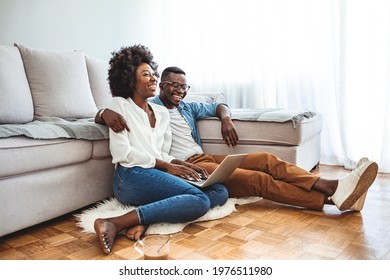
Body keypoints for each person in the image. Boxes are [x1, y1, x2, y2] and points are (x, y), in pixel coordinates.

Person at [96, 66, 378, 214]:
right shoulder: (149, 104)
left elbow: (220, 105)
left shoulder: (188, 107)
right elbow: (118, 115)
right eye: (173, 85)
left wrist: (227, 118)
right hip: (185, 165)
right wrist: (103, 112)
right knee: (258, 181)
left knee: (266, 160)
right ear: (162, 85)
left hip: (205, 157)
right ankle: (332, 196)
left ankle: (333, 188)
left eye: (184, 86)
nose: (179, 90)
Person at [93, 47, 228, 255]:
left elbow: (162, 153)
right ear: (130, 79)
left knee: (220, 191)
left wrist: (181, 165)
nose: (153, 78)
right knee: (200, 200)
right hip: (129, 176)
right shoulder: (119, 106)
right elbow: (122, 154)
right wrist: (166, 166)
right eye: (145, 74)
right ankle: (113, 222)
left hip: (155, 172)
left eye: (153, 73)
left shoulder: (161, 113)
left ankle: (147, 219)